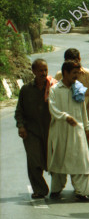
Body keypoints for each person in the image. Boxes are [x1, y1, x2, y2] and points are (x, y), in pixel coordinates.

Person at [47, 60, 89, 202]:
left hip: (77, 130)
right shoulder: (55, 90)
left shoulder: (78, 88)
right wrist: (65, 117)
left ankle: (82, 192)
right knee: (59, 160)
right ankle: (55, 190)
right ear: (65, 73)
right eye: (74, 73)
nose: (77, 76)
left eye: (78, 73)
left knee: (82, 161)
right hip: (60, 131)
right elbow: (52, 108)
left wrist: (86, 127)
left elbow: (82, 110)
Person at [54, 48, 89, 184]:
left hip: (87, 119)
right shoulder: (59, 76)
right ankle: (67, 180)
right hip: (67, 121)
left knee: (87, 150)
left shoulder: (88, 74)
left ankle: (87, 176)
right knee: (68, 150)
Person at [15, 59, 53, 198]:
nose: (43, 73)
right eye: (40, 70)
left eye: (45, 70)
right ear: (34, 72)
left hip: (50, 131)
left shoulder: (52, 87)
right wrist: (21, 126)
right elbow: (19, 111)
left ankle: (57, 188)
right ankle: (40, 189)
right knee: (34, 161)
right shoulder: (26, 89)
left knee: (53, 161)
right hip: (31, 132)